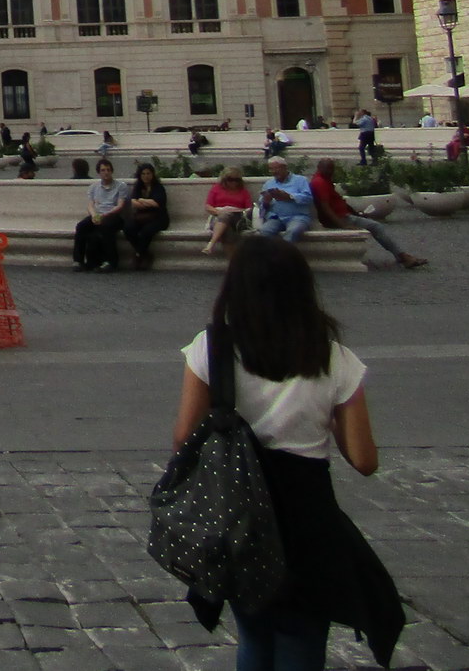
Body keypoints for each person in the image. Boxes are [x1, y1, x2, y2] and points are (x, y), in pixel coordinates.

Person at [170, 238, 404, 669]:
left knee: (254, 636)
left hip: (240, 511)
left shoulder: (212, 348)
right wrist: (324, 415)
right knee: (302, 636)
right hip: (308, 515)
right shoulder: (333, 358)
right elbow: (364, 460)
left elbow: (184, 436)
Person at [309, 160, 426, 270]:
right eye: (329, 169)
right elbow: (326, 208)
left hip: (343, 215)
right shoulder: (320, 183)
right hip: (341, 218)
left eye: (332, 169)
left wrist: (357, 214)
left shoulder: (323, 180)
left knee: (374, 225)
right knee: (376, 227)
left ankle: (402, 256)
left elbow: (336, 202)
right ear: (320, 168)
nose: (331, 172)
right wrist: (343, 225)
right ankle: (402, 257)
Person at [73, 161, 127, 272]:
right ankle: (78, 260)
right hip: (97, 214)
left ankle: (110, 261)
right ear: (99, 172)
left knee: (106, 227)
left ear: (111, 171)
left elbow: (120, 206)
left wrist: (105, 215)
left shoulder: (121, 186)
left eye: (108, 170)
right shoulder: (94, 187)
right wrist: (94, 215)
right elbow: (90, 204)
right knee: (81, 226)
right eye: (103, 170)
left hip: (113, 215)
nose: (106, 172)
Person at [256, 158, 316, 241]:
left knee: (292, 231)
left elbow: (308, 198)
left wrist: (289, 196)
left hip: (298, 217)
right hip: (276, 218)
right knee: (264, 231)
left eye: (276, 168)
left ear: (285, 167)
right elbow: (262, 208)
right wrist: (266, 201)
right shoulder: (268, 184)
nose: (274, 171)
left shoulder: (301, 180)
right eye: (271, 169)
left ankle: (284, 249)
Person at [124, 163, 170, 270]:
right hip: (142, 216)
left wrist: (142, 200)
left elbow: (157, 203)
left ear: (153, 174)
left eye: (148, 173)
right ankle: (145, 253)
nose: (146, 176)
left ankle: (138, 255)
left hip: (159, 217)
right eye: (143, 174)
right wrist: (147, 202)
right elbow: (134, 203)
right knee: (128, 228)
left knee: (146, 231)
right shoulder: (138, 187)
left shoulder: (158, 187)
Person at [203, 169, 254, 255]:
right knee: (226, 227)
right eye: (230, 179)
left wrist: (234, 210)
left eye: (236, 180)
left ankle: (211, 244)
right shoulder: (216, 189)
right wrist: (219, 212)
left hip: (237, 218)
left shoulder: (243, 191)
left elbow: (249, 208)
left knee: (226, 218)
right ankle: (233, 261)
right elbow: (208, 206)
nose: (233, 182)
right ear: (224, 179)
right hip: (218, 216)